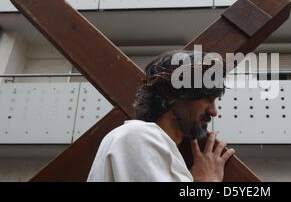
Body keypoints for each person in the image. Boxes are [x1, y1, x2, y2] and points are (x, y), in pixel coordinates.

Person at [87, 50, 235, 182]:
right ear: (170, 93)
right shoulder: (139, 136)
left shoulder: (150, 142)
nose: (213, 112)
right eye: (207, 99)